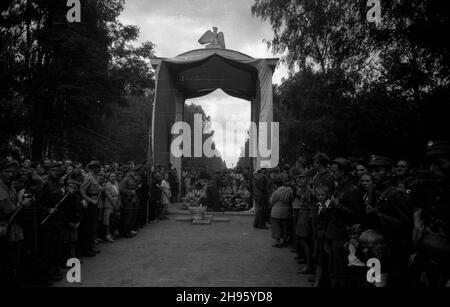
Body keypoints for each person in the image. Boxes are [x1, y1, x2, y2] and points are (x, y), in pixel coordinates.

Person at [365, 155, 412, 286]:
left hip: (389, 250)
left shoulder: (395, 193)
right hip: (373, 247)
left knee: (381, 283)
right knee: (371, 281)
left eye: (378, 170)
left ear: (389, 172)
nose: (373, 174)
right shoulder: (374, 190)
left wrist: (377, 215)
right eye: (372, 171)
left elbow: (405, 224)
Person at [411, 141, 450, 287]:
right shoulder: (434, 192)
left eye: (440, 164)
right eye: (431, 164)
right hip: (430, 267)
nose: (433, 169)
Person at [326, 158, 365, 287]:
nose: (331, 173)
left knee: (341, 272)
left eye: (334, 170)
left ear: (343, 172)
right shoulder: (340, 187)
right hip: (334, 233)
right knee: (334, 270)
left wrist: (337, 206)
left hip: (342, 236)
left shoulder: (352, 190)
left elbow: (357, 215)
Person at [35, 162, 65, 282]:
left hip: (56, 220)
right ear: (49, 171)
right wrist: (47, 209)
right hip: (46, 221)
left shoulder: (57, 184)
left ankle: (52, 271)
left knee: (55, 248)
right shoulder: (44, 184)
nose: (56, 173)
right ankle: (43, 276)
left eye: (58, 171)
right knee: (47, 249)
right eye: (53, 170)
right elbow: (36, 203)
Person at [0, 159, 23, 287]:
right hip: (3, 228)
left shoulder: (11, 187)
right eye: (7, 171)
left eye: (13, 172)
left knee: (10, 262)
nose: (10, 174)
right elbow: (8, 208)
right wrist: (22, 204)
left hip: (11, 229)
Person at [79, 161, 102, 257]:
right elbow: (82, 191)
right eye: (97, 168)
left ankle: (91, 246)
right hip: (91, 203)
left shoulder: (96, 177)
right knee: (89, 227)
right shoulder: (88, 177)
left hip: (96, 202)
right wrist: (90, 201)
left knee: (94, 227)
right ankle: (87, 249)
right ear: (93, 168)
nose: (99, 169)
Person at [269, 176, 294, 248]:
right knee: (285, 227)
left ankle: (278, 242)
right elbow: (291, 199)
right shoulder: (289, 190)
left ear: (275, 185)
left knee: (276, 228)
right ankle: (285, 241)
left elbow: (271, 202)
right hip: (286, 211)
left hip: (276, 212)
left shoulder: (276, 192)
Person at [61, 179, 82, 260]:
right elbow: (63, 212)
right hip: (67, 223)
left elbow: (79, 210)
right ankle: (65, 259)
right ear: (66, 187)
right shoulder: (64, 197)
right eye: (70, 186)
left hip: (75, 222)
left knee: (73, 241)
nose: (72, 189)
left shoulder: (77, 197)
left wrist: (78, 221)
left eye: (75, 187)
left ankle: (72, 257)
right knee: (65, 241)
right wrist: (68, 222)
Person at [120, 169, 140, 237]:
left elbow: (134, 187)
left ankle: (129, 230)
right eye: (133, 172)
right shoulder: (126, 179)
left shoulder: (132, 179)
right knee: (127, 216)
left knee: (131, 216)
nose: (134, 173)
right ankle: (125, 232)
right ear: (129, 172)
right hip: (127, 200)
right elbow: (121, 189)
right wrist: (130, 192)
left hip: (133, 199)